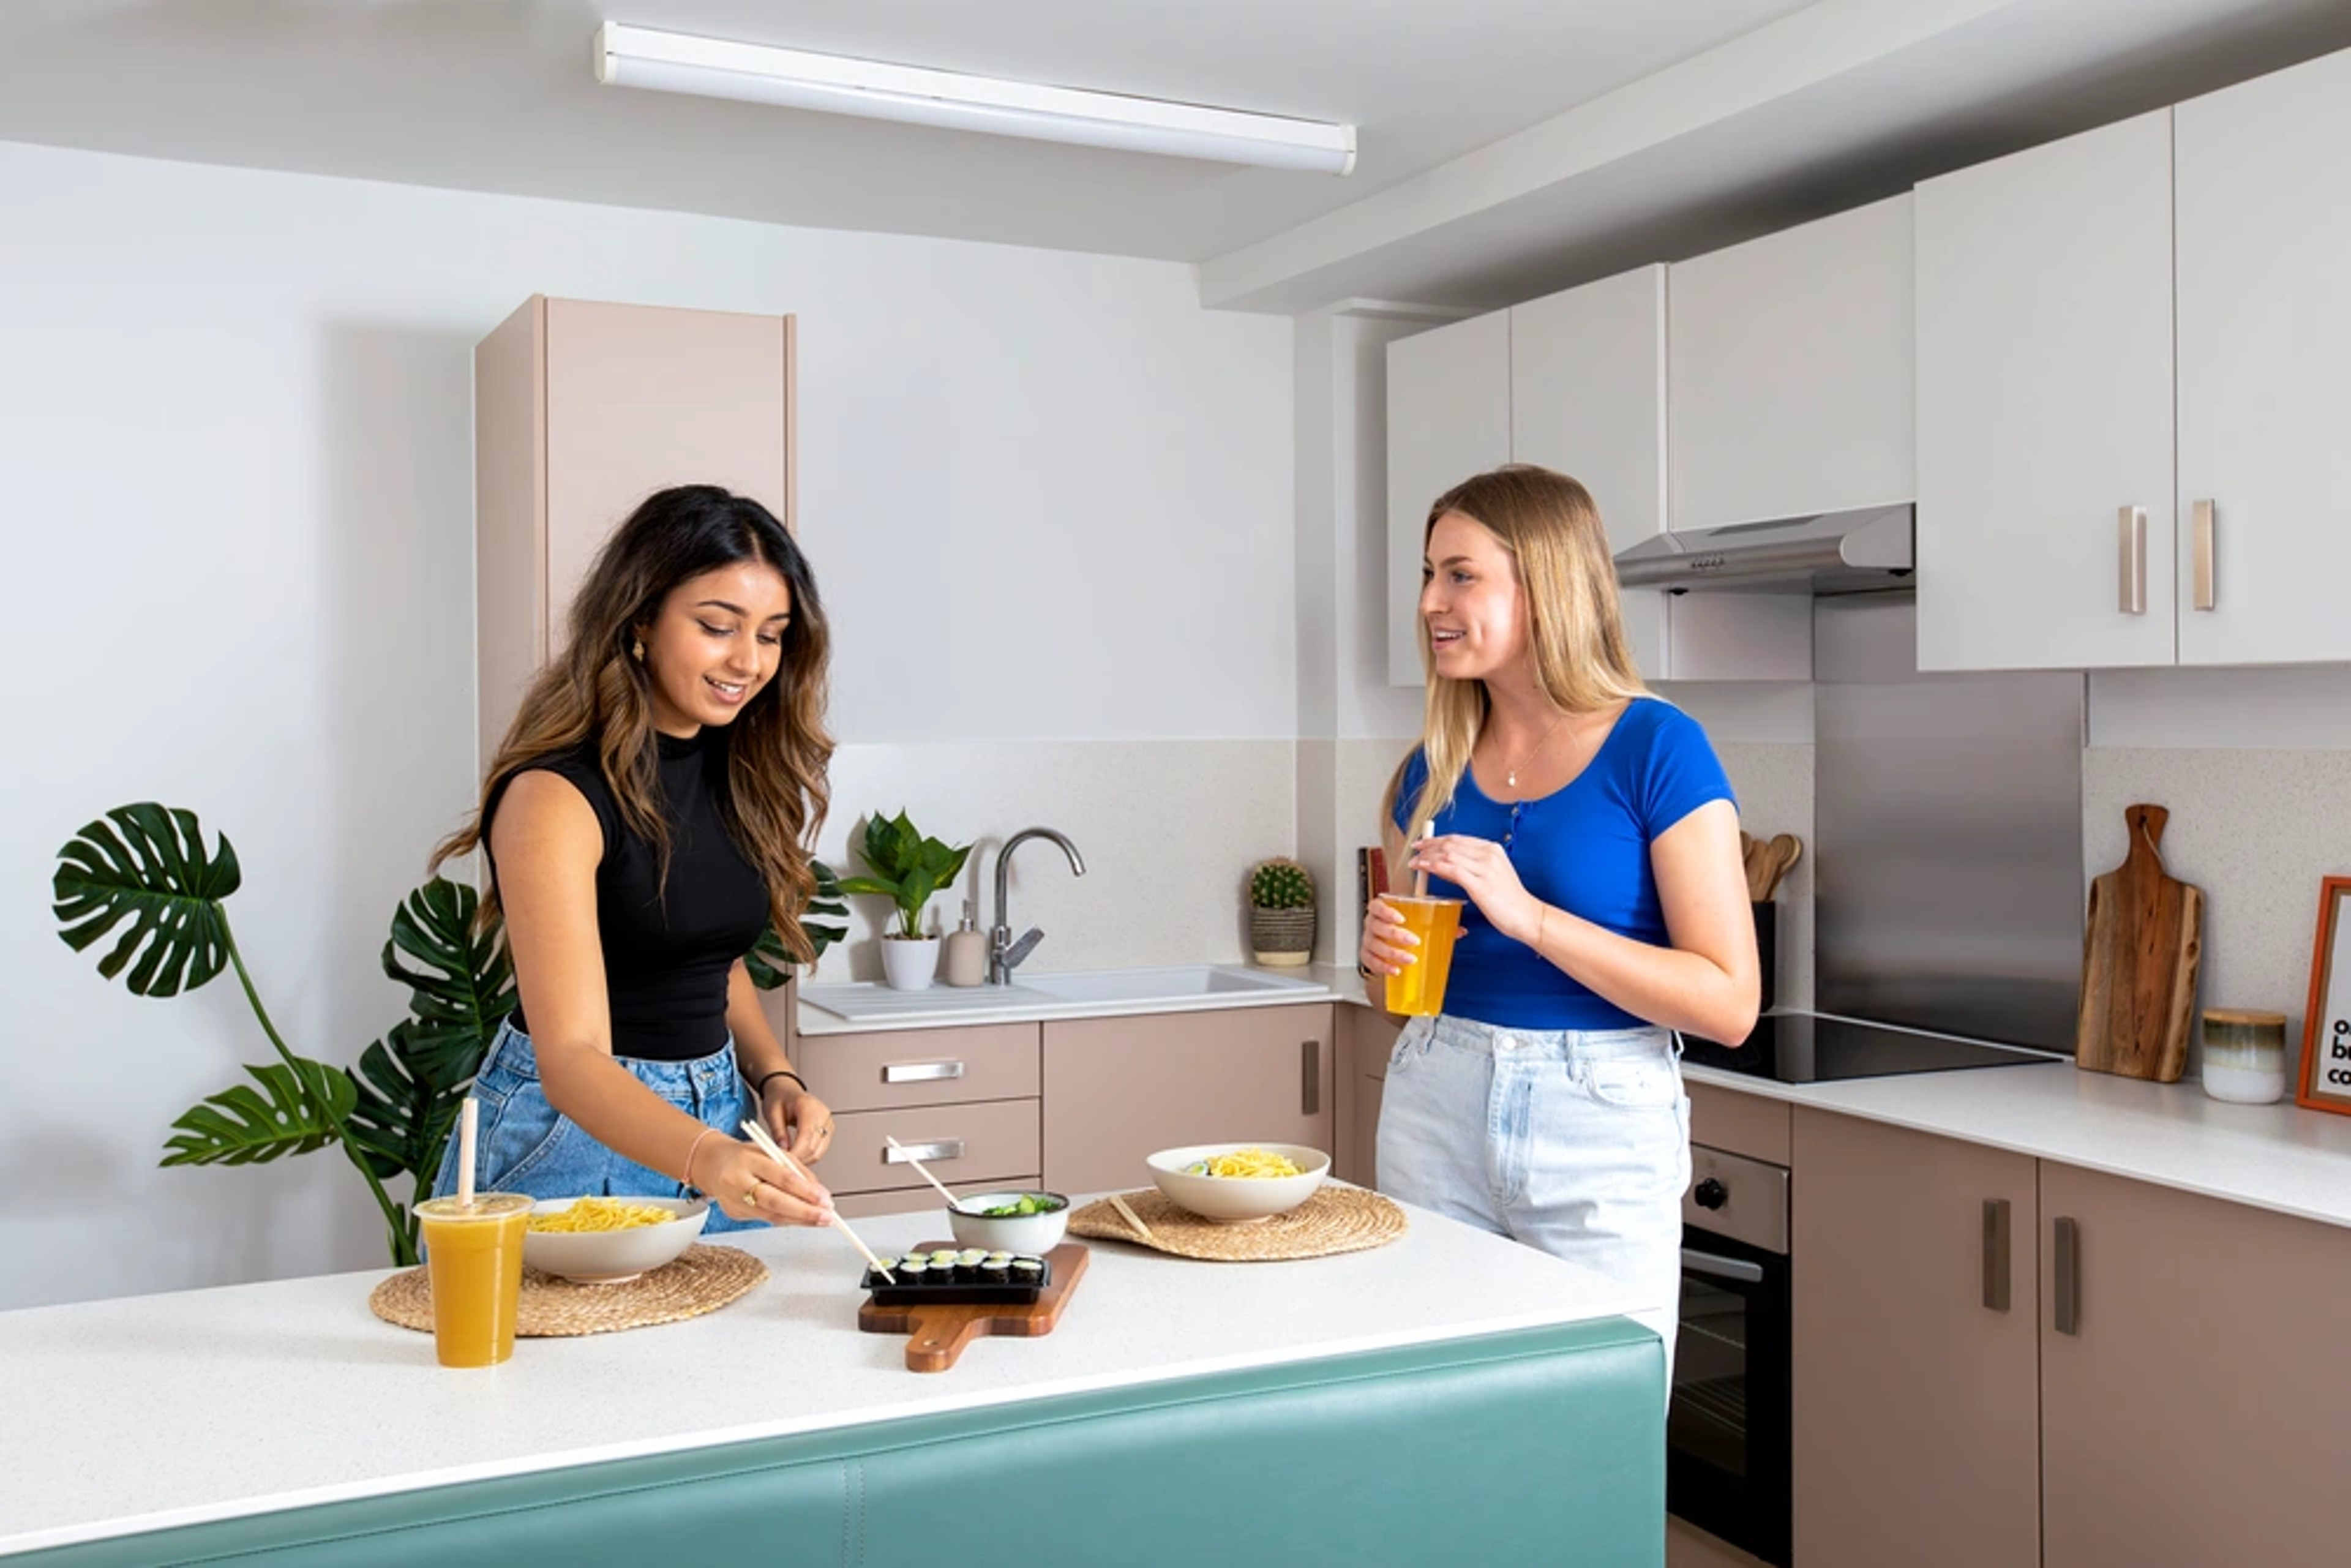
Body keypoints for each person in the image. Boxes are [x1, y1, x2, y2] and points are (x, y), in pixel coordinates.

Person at [1357, 464, 1758, 1368]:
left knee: (1592, 1439)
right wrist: (1381, 961)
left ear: (1545, 583)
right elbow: (1400, 1002)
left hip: (1598, 1121)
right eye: (1428, 574)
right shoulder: (1432, 766)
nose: (1430, 601)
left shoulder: (1657, 746)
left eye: (1461, 574)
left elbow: (1732, 1003)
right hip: (1433, 1100)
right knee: (1437, 1423)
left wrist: (1530, 917)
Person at [429, 484, 840, 1233]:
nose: (748, 661)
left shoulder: (734, 768)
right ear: (641, 619)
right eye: (719, 626)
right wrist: (706, 1156)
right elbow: (574, 1057)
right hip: (574, 1136)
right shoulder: (554, 796)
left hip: (717, 1121)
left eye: (773, 634)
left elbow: (705, 953)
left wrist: (772, 1073)